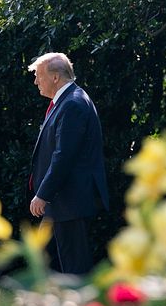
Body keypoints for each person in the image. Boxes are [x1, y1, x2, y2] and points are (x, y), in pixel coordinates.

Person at [27, 52, 109, 275]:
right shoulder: (67, 100)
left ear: (55, 77)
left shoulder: (72, 104)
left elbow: (64, 155)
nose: (36, 81)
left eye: (39, 75)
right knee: (44, 261)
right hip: (62, 202)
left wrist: (43, 193)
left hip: (69, 201)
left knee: (75, 269)